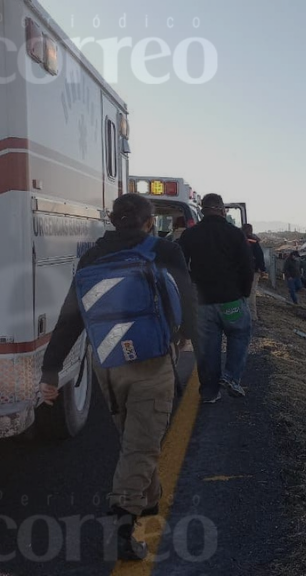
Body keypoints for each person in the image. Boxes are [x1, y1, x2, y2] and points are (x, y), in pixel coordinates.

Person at [39, 194, 197, 561]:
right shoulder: (163, 250)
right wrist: (189, 340)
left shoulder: (91, 257)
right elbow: (188, 302)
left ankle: (151, 501)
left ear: (112, 221)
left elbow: (70, 318)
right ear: (148, 222)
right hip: (152, 362)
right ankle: (124, 531)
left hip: (107, 365)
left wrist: (50, 371)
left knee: (136, 438)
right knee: (141, 444)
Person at [178, 193, 254, 403]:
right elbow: (247, 267)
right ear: (222, 209)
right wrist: (244, 293)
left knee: (206, 348)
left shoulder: (190, 235)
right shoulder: (235, 234)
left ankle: (210, 392)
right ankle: (231, 377)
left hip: (202, 302)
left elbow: (181, 267)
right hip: (231, 299)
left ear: (202, 210)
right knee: (239, 335)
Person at [242, 224, 266, 321]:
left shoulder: (236, 239)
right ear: (251, 230)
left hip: (239, 271)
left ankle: (241, 313)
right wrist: (262, 269)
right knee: (251, 293)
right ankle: (252, 316)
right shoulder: (254, 241)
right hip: (253, 270)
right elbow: (259, 256)